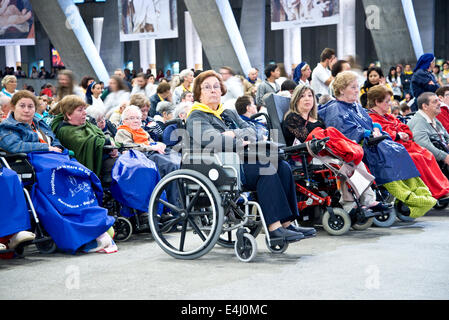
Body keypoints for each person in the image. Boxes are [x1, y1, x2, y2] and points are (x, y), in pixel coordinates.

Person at [185, 69, 316, 242]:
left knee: (282, 166)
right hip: (218, 167)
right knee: (266, 169)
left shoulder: (227, 113)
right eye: (207, 87)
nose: (213, 90)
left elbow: (252, 130)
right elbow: (214, 141)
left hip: (239, 160)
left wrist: (232, 134)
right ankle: (274, 228)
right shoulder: (196, 116)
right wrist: (238, 139)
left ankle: (287, 223)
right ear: (198, 93)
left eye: (216, 86)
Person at [318, 71, 436, 218]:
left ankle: (419, 194)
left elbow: (368, 122)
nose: (357, 90)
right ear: (341, 90)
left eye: (357, 86)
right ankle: (407, 196)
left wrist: (376, 128)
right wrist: (366, 133)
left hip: (371, 143)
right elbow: (341, 133)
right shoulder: (334, 109)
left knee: (397, 149)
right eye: (353, 87)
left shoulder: (355, 106)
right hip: (354, 148)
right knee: (389, 153)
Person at [282, 84, 389, 213]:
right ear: (296, 100)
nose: (307, 99)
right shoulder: (292, 118)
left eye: (310, 96)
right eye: (302, 96)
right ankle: (349, 205)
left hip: (324, 152)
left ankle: (368, 200)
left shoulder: (317, 119)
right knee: (341, 164)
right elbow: (308, 140)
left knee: (354, 159)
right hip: (304, 155)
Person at [367, 85, 449, 201]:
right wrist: (398, 135)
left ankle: (444, 188)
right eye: (387, 101)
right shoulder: (372, 118)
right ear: (377, 102)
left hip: (404, 146)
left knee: (426, 154)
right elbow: (385, 135)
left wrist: (401, 134)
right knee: (418, 158)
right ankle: (436, 191)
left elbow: (406, 129)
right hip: (393, 151)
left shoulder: (388, 117)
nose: (390, 104)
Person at [114, 105, 181, 204]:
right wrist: (152, 147)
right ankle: (175, 203)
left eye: (138, 118)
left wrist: (159, 144)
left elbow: (152, 143)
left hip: (153, 154)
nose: (136, 121)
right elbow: (129, 147)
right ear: (124, 121)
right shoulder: (122, 131)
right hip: (143, 159)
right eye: (132, 118)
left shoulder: (142, 132)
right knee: (171, 165)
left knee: (179, 158)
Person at [51, 95, 119, 180]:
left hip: (107, 157)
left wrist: (113, 145)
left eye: (84, 109)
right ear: (68, 115)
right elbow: (86, 142)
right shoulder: (65, 131)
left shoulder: (87, 124)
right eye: (80, 110)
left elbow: (102, 135)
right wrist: (107, 142)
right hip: (96, 166)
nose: (85, 112)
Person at [407, 92, 449, 170]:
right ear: (425, 106)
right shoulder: (418, 122)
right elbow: (423, 145)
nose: (439, 103)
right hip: (435, 164)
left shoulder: (434, 119)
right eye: (435, 102)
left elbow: (446, 136)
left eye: (438, 101)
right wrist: (444, 156)